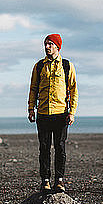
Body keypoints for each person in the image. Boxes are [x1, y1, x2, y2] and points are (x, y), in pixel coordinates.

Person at [28, 33, 78, 192]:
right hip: (43, 113)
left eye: (50, 44)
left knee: (60, 147)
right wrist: (31, 108)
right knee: (43, 148)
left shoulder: (67, 65)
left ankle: (60, 180)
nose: (47, 47)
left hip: (61, 113)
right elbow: (33, 88)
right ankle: (45, 180)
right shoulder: (39, 66)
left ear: (57, 46)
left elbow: (73, 90)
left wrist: (72, 112)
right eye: (45, 44)